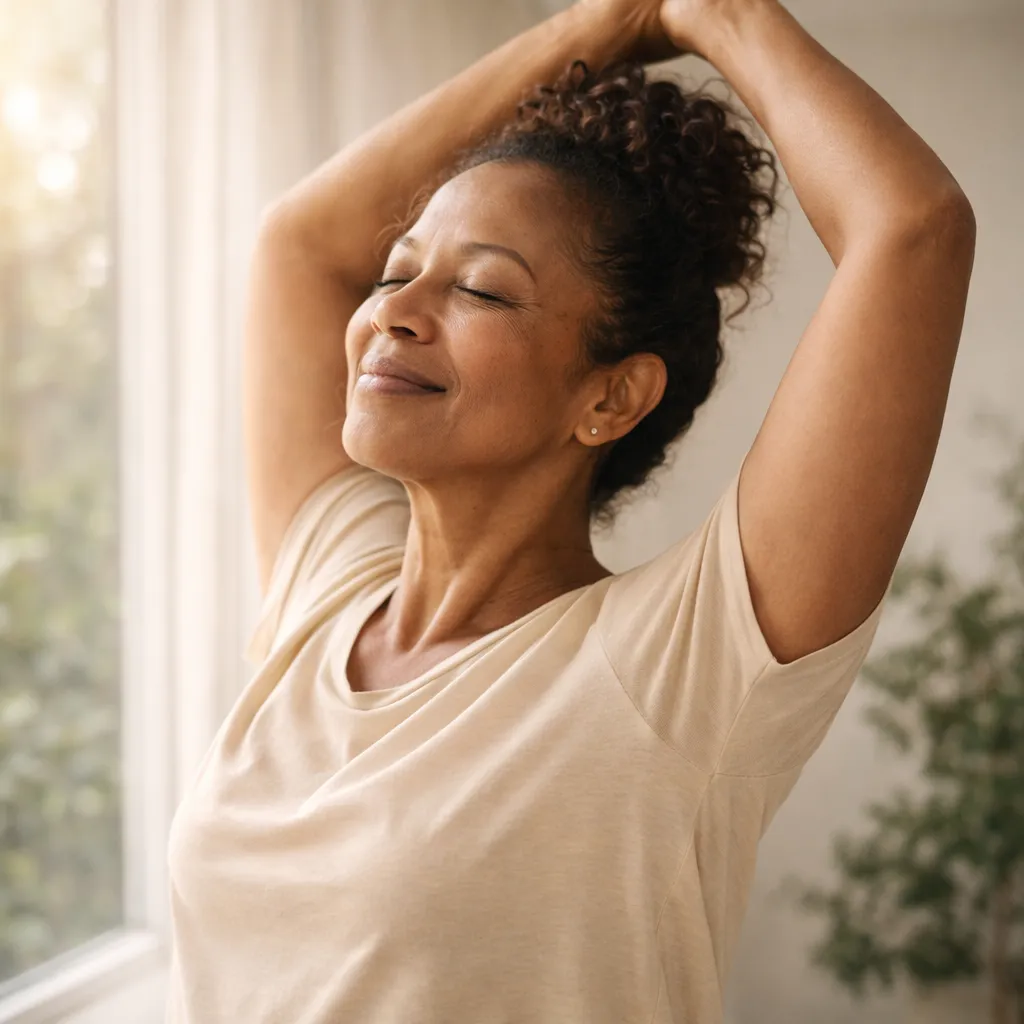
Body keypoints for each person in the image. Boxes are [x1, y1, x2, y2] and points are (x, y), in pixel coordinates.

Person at [165, 0, 975, 1021]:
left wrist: (716, 16)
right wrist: (610, 21)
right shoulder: (329, 585)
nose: (394, 313)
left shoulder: (671, 670)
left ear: (609, 396)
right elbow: (299, 243)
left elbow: (912, 230)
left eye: (484, 291)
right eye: (399, 269)